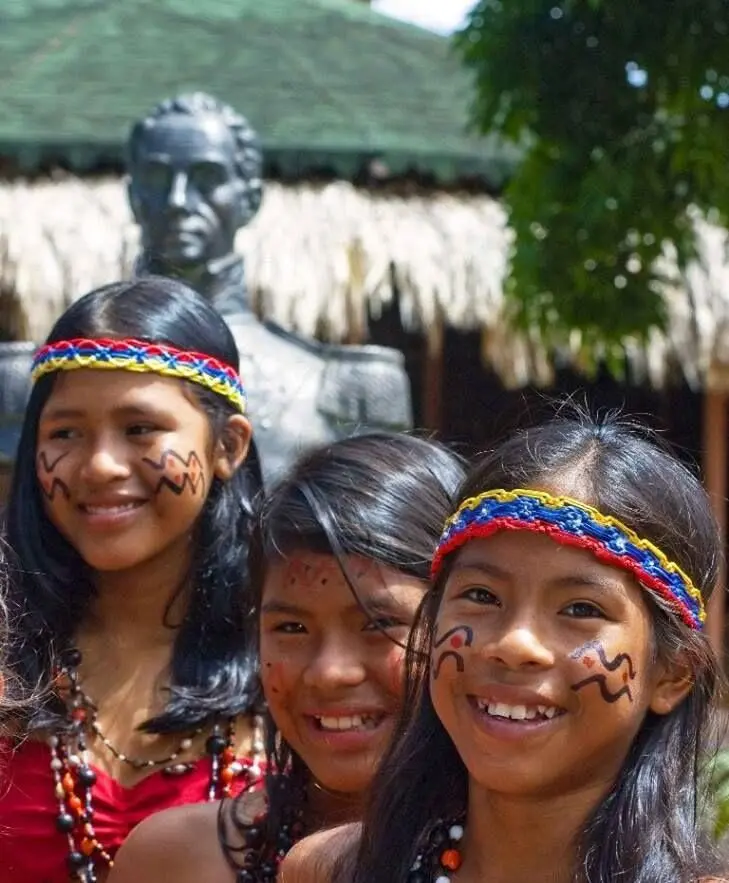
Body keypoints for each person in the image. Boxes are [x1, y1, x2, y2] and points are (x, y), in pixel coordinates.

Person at [280, 411, 726, 883]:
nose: (515, 644)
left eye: (580, 609)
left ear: (674, 672)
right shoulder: (329, 871)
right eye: (482, 596)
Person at [106, 432, 467, 883]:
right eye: (291, 628)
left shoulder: (542, 860)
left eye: (378, 624)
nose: (329, 673)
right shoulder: (173, 862)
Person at [0, 276, 265, 883]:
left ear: (228, 445)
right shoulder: (7, 663)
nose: (100, 465)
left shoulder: (300, 657)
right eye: (65, 432)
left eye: (140, 429)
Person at [126, 92, 413, 484]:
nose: (177, 201)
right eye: (158, 178)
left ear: (250, 199)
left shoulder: (342, 388)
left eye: (207, 179)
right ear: (132, 196)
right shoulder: (48, 380)